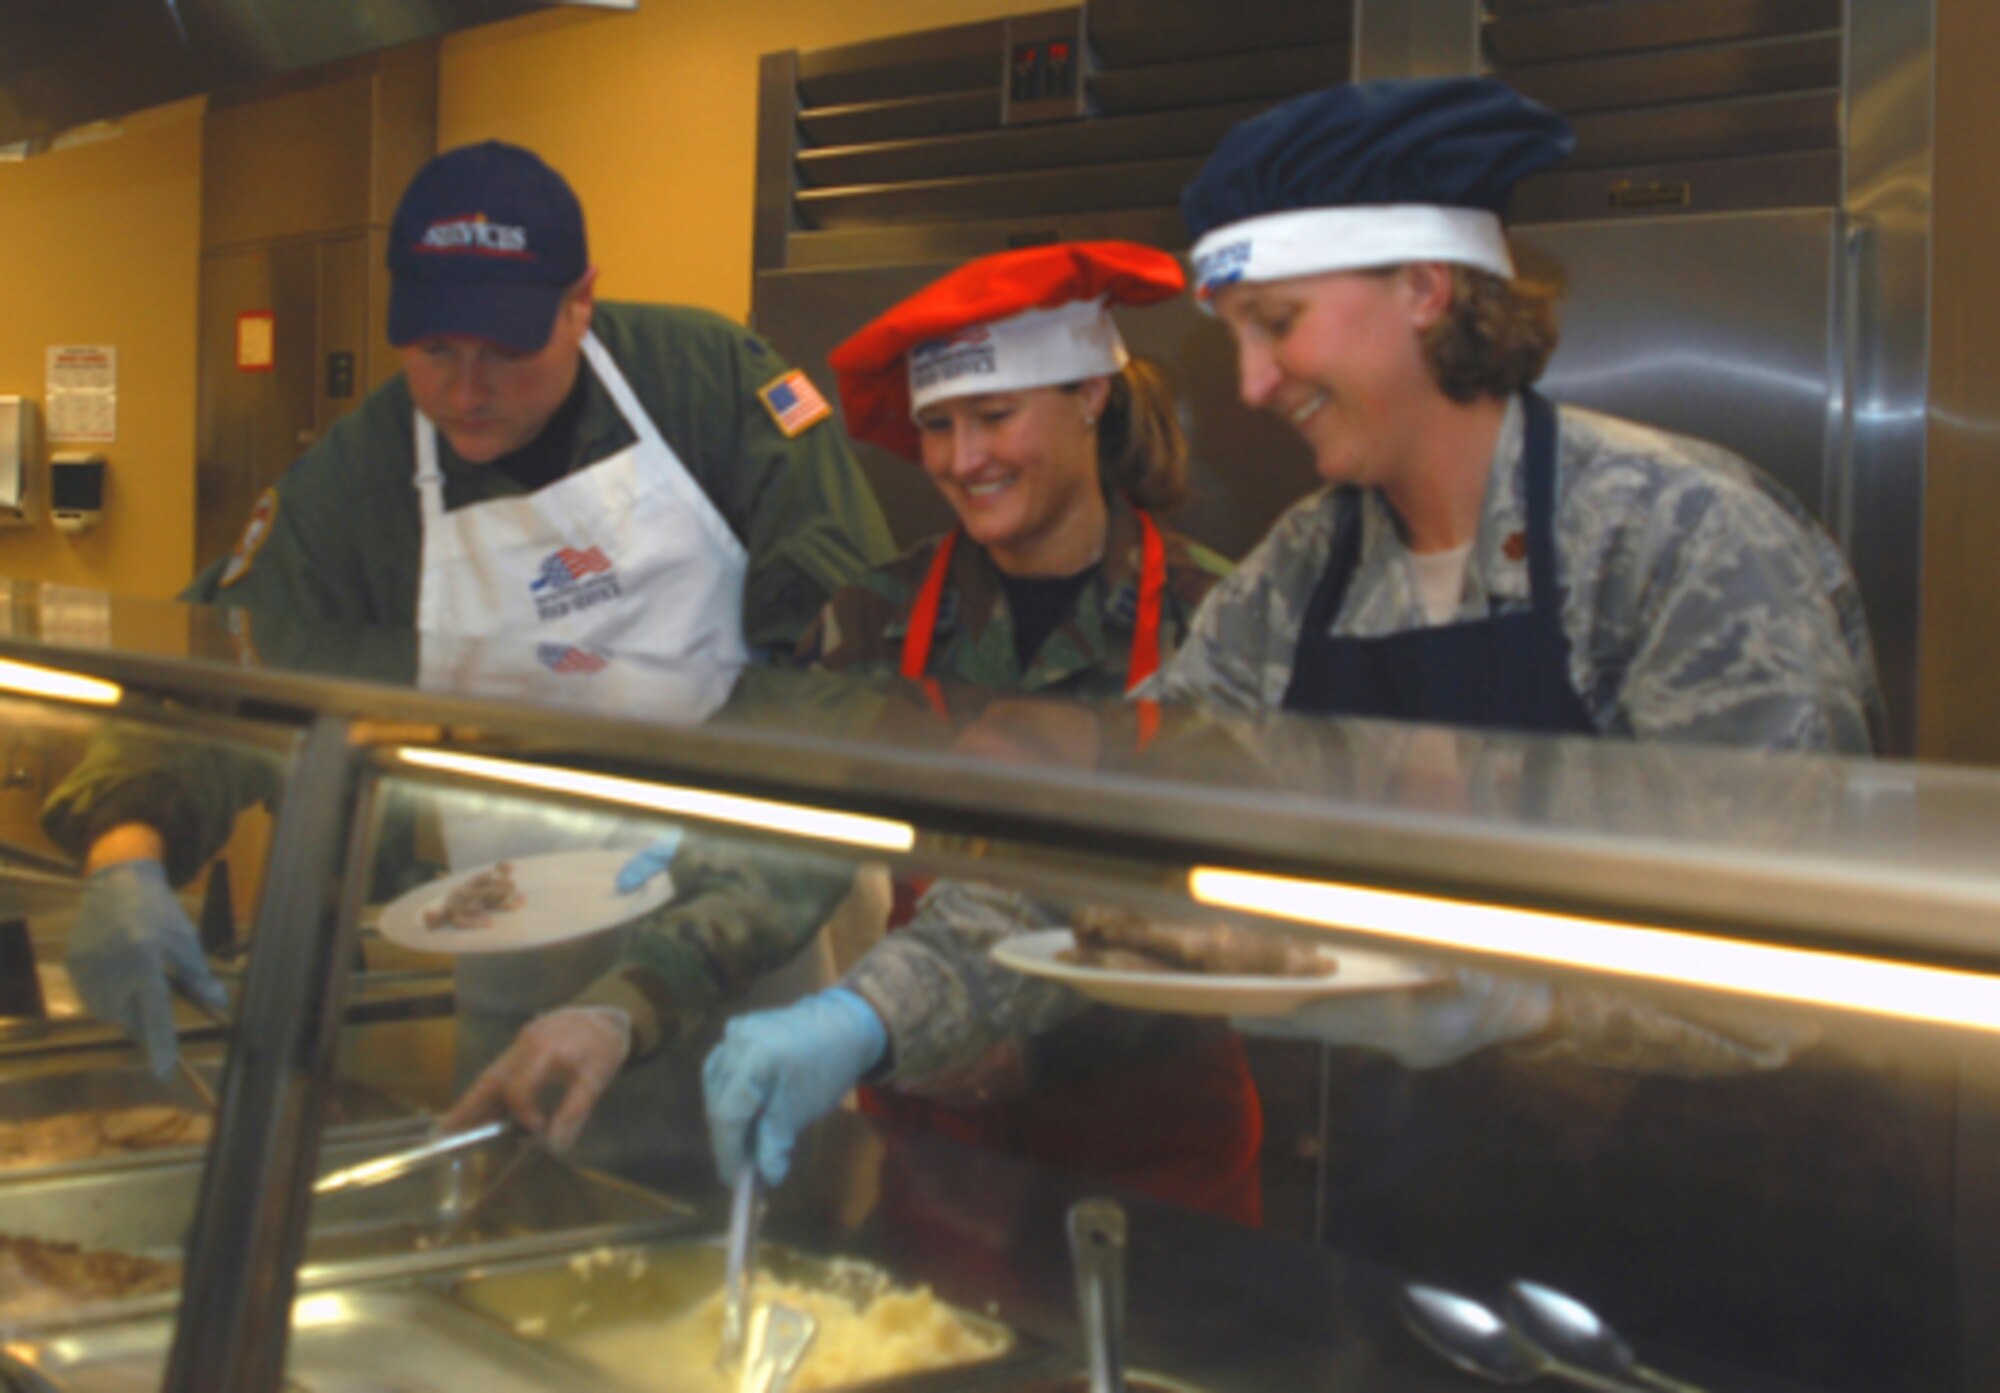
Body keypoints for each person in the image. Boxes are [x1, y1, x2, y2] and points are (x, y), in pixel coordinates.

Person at [43, 140, 895, 1075]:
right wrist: (126, 850)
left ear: (582, 302)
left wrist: (723, 873)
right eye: (434, 350)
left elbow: (844, 670)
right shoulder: (363, 474)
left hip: (746, 935)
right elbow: (230, 664)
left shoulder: (710, 387)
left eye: (506, 351)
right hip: (503, 950)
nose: (463, 390)